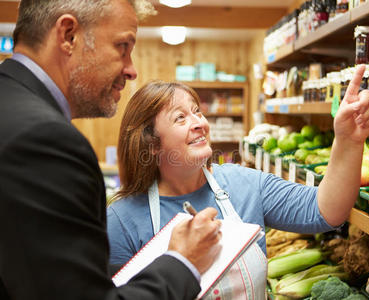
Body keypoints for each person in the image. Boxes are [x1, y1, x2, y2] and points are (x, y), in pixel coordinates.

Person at [0, 0, 222, 299]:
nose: (132, 71)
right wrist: (184, 262)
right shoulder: (44, 139)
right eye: (122, 47)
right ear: (68, 35)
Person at [107, 65, 369, 299]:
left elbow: (325, 210)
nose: (199, 122)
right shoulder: (120, 221)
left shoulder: (244, 183)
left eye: (197, 111)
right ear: (151, 144)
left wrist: (348, 141)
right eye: (180, 117)